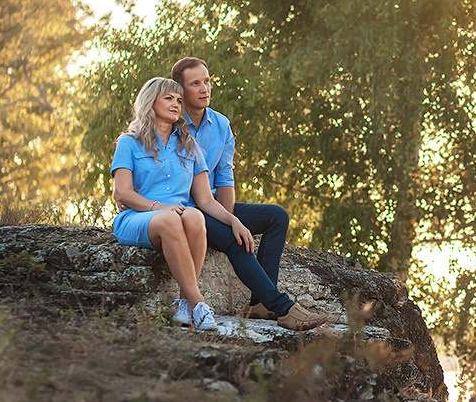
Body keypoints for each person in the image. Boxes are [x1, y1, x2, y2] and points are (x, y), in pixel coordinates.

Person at [170, 56, 328, 331]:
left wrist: (229, 217)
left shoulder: (221, 125)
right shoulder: (171, 124)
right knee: (235, 241)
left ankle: (259, 304)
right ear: (180, 90)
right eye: (195, 83)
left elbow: (225, 177)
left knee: (276, 216)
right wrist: (229, 226)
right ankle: (283, 308)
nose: (204, 88)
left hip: (214, 205)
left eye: (207, 81)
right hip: (187, 210)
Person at [111, 76, 255, 331]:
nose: (176, 104)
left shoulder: (189, 145)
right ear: (150, 101)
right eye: (168, 98)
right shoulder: (129, 142)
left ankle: (183, 304)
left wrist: (234, 220)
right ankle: (199, 301)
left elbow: (206, 200)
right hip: (139, 217)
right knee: (171, 218)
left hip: (178, 216)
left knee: (195, 216)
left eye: (179, 99)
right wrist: (159, 207)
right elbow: (122, 193)